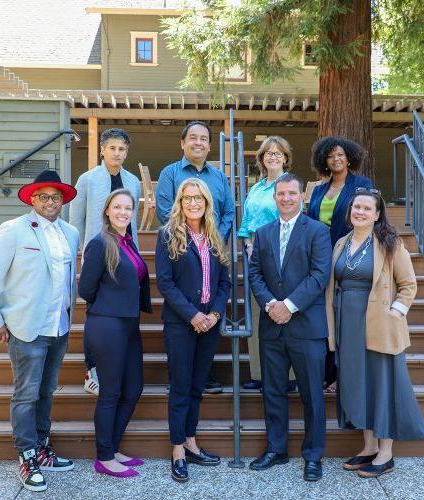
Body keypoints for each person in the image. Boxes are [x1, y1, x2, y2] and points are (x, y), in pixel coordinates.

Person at [0, 170, 79, 492]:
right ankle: (27, 454)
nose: (51, 202)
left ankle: (43, 447)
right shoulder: (13, 230)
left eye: (56, 197)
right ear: (33, 199)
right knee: (26, 394)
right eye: (44, 197)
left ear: (63, 201)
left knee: (47, 392)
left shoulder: (71, 233)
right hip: (26, 327)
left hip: (58, 325)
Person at [325, 188, 424, 478]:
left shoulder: (390, 243)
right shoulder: (341, 243)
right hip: (348, 324)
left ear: (378, 214)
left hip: (380, 324)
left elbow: (408, 284)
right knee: (359, 385)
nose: (360, 212)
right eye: (357, 207)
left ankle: (386, 452)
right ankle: (368, 447)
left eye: (367, 209)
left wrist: (395, 311)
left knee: (382, 386)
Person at [248, 174, 332, 482]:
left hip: (306, 326)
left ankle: (313, 455)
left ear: (301, 197)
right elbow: (254, 272)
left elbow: (319, 275)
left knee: (312, 394)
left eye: (291, 193)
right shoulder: (263, 232)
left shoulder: (318, 232)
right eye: (281, 193)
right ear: (275, 198)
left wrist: (289, 306)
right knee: (273, 391)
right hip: (272, 325)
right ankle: (277, 448)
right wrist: (272, 305)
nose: (286, 198)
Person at [155, 178, 232, 482]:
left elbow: (225, 283)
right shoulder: (167, 236)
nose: (193, 203)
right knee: (181, 387)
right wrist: (192, 315)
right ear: (180, 202)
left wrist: (213, 313)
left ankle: (191, 442)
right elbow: (165, 283)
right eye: (187, 199)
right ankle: (177, 450)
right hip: (181, 324)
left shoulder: (214, 236)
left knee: (197, 386)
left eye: (198, 198)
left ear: (206, 202)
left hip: (209, 325)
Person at [155, 120, 235, 394]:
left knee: (209, 301)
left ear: (210, 145)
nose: (198, 142)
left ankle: (203, 371)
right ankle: (179, 375)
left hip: (212, 248)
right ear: (183, 143)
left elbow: (228, 213)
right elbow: (166, 210)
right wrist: (187, 236)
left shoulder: (219, 177)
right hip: (181, 249)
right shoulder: (170, 173)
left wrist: (213, 236)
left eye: (203, 138)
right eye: (192, 138)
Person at [78, 189, 152, 478]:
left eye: (128, 208)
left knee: (133, 388)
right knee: (110, 393)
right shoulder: (100, 243)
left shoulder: (127, 242)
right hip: (107, 324)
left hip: (129, 324)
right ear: (107, 211)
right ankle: (104, 456)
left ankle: (113, 446)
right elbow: (86, 289)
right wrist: (109, 305)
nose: (123, 212)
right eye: (117, 207)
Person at [70, 128, 142, 396]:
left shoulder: (132, 181)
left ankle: (116, 365)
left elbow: (132, 221)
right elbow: (76, 218)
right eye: (112, 148)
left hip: (124, 254)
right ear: (102, 150)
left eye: (122, 149)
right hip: (97, 252)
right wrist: (80, 251)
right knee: (94, 310)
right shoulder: (87, 180)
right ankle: (92, 370)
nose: (117, 153)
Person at [306, 136, 373, 392]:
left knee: (343, 316)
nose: (336, 159)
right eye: (331, 155)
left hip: (347, 255)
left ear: (349, 158)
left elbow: (367, 217)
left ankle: (343, 376)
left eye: (341, 155)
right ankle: (326, 373)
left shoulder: (361, 185)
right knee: (323, 314)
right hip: (319, 256)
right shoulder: (320, 189)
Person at [237, 136, 295, 392]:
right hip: (256, 258)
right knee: (258, 313)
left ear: (285, 158)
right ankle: (259, 374)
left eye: (278, 153)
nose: (273, 157)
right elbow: (247, 222)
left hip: (283, 259)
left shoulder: (289, 186)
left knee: (285, 313)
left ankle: (290, 376)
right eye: (268, 153)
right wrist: (249, 246)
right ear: (261, 159)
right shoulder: (257, 188)